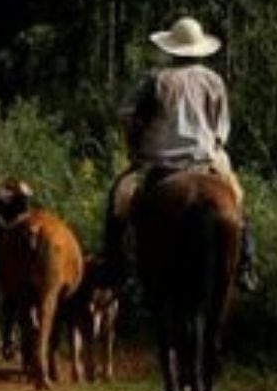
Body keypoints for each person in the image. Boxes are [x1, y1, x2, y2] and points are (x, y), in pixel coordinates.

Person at [103, 16, 258, 293]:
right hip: (205, 159)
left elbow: (126, 115)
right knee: (237, 200)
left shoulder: (155, 79)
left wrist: (135, 143)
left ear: (171, 49)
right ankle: (246, 264)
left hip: (158, 161)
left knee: (119, 199)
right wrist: (213, 144)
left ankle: (118, 269)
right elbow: (222, 126)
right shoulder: (214, 80)